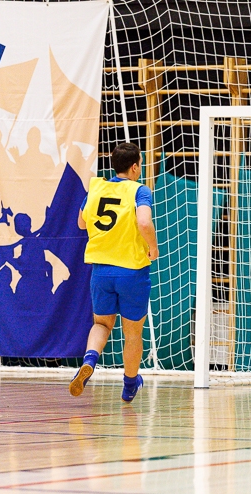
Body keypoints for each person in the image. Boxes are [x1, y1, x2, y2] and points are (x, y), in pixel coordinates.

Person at [69, 142, 159, 402]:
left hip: (101, 271)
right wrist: (153, 247)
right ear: (135, 167)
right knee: (132, 333)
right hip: (132, 270)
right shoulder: (139, 190)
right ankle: (129, 385)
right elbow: (144, 222)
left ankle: (89, 360)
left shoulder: (96, 187)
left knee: (101, 324)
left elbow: (81, 222)